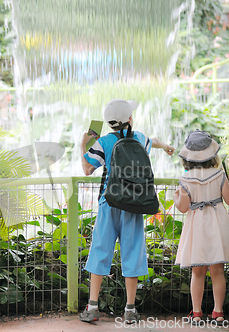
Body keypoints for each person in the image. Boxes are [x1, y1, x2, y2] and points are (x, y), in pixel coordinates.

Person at [79, 98, 175, 324]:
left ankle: (93, 307)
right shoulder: (140, 138)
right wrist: (167, 147)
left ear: (109, 122)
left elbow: (86, 169)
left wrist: (82, 144)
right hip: (134, 204)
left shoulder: (103, 142)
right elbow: (155, 141)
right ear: (129, 119)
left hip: (108, 203)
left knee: (101, 249)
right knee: (132, 252)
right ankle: (130, 309)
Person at [173, 129, 229, 324]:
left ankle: (197, 312)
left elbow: (184, 208)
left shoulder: (185, 179)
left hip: (197, 227)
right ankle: (218, 313)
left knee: (198, 271)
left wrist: (177, 198)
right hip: (217, 225)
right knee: (217, 271)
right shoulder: (219, 175)